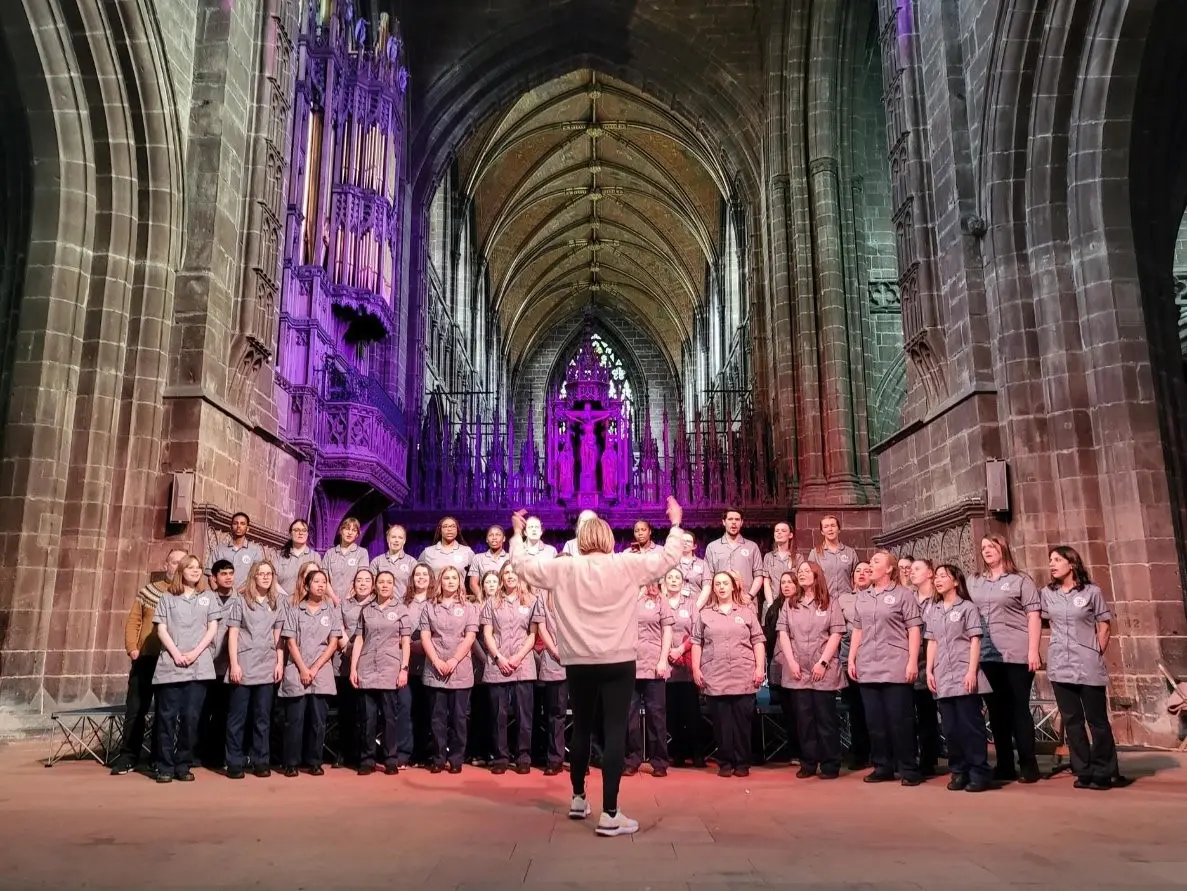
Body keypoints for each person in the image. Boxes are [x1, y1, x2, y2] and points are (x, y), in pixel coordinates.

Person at [509, 497, 683, 838]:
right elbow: (668, 558)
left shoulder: (564, 566)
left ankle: (577, 797)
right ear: (607, 539)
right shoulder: (626, 564)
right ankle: (610, 814)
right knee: (615, 729)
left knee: (584, 727)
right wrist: (675, 525)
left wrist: (517, 534)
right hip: (618, 660)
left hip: (578, 661)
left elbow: (521, 567)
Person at [1043, 546, 1123, 790]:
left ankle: (1104, 770)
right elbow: (1042, 621)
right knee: (1072, 720)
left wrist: (1094, 651)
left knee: (1096, 720)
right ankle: (1083, 769)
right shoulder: (1047, 593)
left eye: (1058, 559)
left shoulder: (1091, 592)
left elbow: (1104, 625)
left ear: (1072, 563)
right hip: (1060, 663)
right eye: (1050, 560)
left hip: (1087, 664)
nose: (1052, 564)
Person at [969, 534, 1042, 784]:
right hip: (988, 654)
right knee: (996, 713)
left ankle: (1029, 764)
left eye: (991, 546)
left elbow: (1033, 616)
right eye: (983, 547)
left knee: (1018, 709)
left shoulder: (1020, 580)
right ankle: (1004, 764)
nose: (987, 550)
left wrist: (1034, 650)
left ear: (1003, 549)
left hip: (1016, 652)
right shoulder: (975, 581)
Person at [847, 549, 923, 786]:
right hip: (868, 664)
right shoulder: (863, 597)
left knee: (900, 720)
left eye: (875, 562)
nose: (870, 565)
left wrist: (912, 660)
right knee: (875, 722)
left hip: (895, 664)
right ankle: (882, 766)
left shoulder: (903, 595)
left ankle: (908, 767)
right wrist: (852, 658)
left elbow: (913, 629)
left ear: (889, 569)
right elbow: (857, 630)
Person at [111, 547, 186, 776]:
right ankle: (128, 756)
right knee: (136, 708)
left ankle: (157, 757)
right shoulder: (150, 591)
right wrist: (132, 648)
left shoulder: (187, 595)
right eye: (174, 563)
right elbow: (134, 620)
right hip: (145, 658)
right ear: (166, 565)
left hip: (171, 661)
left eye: (182, 564)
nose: (177, 567)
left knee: (165, 712)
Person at [151, 554, 220, 783]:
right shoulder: (167, 597)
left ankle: (182, 764)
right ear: (181, 570)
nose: (195, 570)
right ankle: (164, 765)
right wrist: (177, 654)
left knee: (191, 718)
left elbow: (212, 629)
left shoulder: (208, 597)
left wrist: (194, 653)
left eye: (198, 567)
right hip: (171, 664)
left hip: (198, 665)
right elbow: (161, 629)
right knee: (167, 718)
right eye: (190, 567)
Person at [692, 570, 766, 779]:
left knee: (742, 723)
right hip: (715, 675)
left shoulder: (746, 612)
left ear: (733, 586)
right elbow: (697, 642)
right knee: (722, 723)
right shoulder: (705, 614)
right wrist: (696, 668)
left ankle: (742, 762)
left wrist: (759, 667)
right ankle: (725, 762)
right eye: (718, 584)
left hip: (743, 674)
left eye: (725, 583)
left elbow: (758, 641)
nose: (722, 587)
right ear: (713, 588)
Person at [924, 564, 991, 792]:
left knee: (970, 726)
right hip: (943, 674)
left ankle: (978, 772)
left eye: (944, 576)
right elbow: (932, 641)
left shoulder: (968, 608)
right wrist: (929, 670)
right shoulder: (934, 610)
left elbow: (975, 639)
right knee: (950, 728)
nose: (939, 580)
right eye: (937, 577)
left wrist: (972, 671)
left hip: (963, 673)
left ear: (955, 581)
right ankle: (959, 771)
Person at [777, 561, 845, 779]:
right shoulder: (790, 603)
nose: (802, 574)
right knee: (803, 719)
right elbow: (783, 633)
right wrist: (791, 661)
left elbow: (836, 633)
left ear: (816, 576)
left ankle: (830, 764)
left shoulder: (829, 602)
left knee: (825, 719)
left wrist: (823, 662)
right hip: (798, 668)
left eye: (806, 571)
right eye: (800, 572)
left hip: (822, 668)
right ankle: (808, 762)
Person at [223, 559, 285, 779]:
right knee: (237, 718)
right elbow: (233, 634)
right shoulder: (240, 602)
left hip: (267, 665)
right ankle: (235, 762)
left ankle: (261, 760)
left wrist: (279, 662)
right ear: (253, 577)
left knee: (262, 718)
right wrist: (234, 664)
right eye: (261, 573)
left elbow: (278, 638)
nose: (266, 577)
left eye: (269, 573)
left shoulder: (278, 603)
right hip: (244, 664)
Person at [279, 568, 342, 777]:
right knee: (294, 720)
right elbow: (290, 641)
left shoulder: (331, 612)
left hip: (321, 672)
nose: (321, 585)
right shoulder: (295, 610)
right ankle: (291, 762)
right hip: (297, 670)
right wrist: (303, 668)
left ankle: (314, 761)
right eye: (316, 581)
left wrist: (314, 668)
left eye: (324, 582)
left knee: (317, 721)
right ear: (306, 586)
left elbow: (333, 643)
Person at [351, 569, 412, 776]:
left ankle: (390, 758)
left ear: (394, 586)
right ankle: (367, 759)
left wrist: (404, 668)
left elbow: (405, 641)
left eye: (389, 582)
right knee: (368, 718)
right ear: (375, 586)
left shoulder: (401, 609)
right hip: (367, 668)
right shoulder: (366, 609)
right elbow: (359, 639)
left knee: (389, 717)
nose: (385, 585)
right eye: (381, 582)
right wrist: (354, 667)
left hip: (390, 669)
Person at [419, 565, 479, 774]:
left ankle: (456, 759)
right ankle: (438, 757)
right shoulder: (428, 606)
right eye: (447, 578)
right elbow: (425, 636)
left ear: (460, 582)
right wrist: (436, 660)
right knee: (437, 718)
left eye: (454, 578)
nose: (451, 581)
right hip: (435, 668)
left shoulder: (469, 608)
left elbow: (470, 637)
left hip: (460, 669)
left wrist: (454, 660)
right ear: (440, 582)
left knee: (458, 718)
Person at [481, 564, 541, 774]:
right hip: (498, 665)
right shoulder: (491, 602)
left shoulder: (532, 601)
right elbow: (487, 634)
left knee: (525, 715)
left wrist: (516, 657)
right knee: (499, 715)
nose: (510, 576)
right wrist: (498, 657)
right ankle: (501, 757)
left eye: (513, 572)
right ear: (501, 577)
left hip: (522, 665)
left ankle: (523, 756)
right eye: (506, 573)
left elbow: (533, 635)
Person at [625, 581, 674, 777]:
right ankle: (632, 759)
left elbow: (667, 631)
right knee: (629, 716)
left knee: (656, 716)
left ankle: (659, 761)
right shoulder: (626, 598)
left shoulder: (660, 599)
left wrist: (663, 659)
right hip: (629, 664)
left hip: (654, 665)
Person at [762, 568, 804, 765]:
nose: (786, 586)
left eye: (790, 582)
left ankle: (807, 751)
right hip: (778, 664)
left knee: (801, 710)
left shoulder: (803, 605)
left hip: (799, 664)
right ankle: (794, 751)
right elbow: (768, 638)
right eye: (783, 582)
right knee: (787, 710)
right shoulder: (774, 608)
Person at [662, 567, 704, 768]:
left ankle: (697, 754)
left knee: (691, 713)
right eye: (669, 577)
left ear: (682, 582)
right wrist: (667, 651)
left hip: (686, 666)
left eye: (676, 577)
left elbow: (697, 633)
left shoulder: (692, 604)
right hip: (666, 667)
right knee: (673, 713)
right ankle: (677, 754)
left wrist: (679, 649)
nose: (673, 580)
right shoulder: (659, 603)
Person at [198, 560, 237, 770]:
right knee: (202, 710)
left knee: (224, 712)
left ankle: (218, 755)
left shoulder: (239, 600)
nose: (228, 577)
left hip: (227, 666)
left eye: (231, 573)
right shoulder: (205, 599)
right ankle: (198, 753)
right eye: (223, 573)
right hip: (205, 664)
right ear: (214, 577)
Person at [336, 568, 375, 769]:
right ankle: (344, 752)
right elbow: (338, 626)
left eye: (367, 580)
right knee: (347, 710)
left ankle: (365, 753)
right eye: (359, 580)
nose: (363, 583)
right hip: (345, 660)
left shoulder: (377, 604)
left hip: (369, 663)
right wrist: (347, 647)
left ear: (373, 584)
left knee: (365, 712)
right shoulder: (345, 604)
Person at [908, 558, 942, 776]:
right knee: (920, 712)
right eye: (910, 570)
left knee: (936, 712)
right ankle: (923, 758)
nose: (912, 573)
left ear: (930, 573)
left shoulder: (939, 600)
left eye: (917, 569)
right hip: (915, 662)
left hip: (938, 660)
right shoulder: (909, 598)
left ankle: (935, 755)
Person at [839, 560, 872, 769]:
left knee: (874, 709)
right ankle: (859, 752)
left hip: (872, 660)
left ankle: (880, 752)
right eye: (858, 571)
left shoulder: (876, 598)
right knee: (856, 710)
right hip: (848, 661)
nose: (861, 574)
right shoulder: (843, 599)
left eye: (867, 571)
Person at [402, 562, 435, 766]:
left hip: (430, 665)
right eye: (417, 575)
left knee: (430, 711)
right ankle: (408, 752)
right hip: (408, 664)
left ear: (431, 578)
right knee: (408, 710)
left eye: (425, 575)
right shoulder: (404, 604)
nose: (421, 578)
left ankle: (429, 753)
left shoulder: (436, 603)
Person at [534, 582, 568, 777]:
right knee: (555, 712)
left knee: (583, 713)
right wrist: (555, 651)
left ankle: (582, 759)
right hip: (554, 659)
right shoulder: (543, 596)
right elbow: (541, 627)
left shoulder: (583, 590)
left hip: (580, 658)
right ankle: (555, 759)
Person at [702, 508, 764, 607]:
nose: (734, 523)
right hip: (720, 603)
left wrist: (750, 596)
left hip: (746, 603)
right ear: (724, 522)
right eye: (730, 519)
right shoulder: (712, 547)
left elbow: (758, 575)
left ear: (742, 522)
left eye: (737, 519)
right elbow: (709, 577)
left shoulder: (752, 546)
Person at [205, 512, 264, 591]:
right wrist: (218, 592)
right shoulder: (220, 549)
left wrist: (240, 592)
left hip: (244, 598)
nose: (238, 526)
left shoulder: (255, 551)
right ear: (231, 527)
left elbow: (257, 576)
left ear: (247, 528)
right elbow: (210, 573)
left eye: (242, 524)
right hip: (220, 596)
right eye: (235, 523)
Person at [806, 515, 859, 599]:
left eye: (833, 526)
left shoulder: (850, 552)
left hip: (847, 600)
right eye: (826, 527)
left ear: (838, 529)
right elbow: (810, 578)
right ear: (822, 532)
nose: (830, 529)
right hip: (825, 600)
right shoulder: (815, 553)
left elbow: (857, 577)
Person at [762, 522, 803, 618]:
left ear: (790, 535)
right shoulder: (769, 556)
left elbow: (799, 581)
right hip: (772, 601)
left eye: (783, 531)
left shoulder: (797, 557)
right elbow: (766, 582)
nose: (779, 533)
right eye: (777, 531)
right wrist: (771, 604)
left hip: (792, 602)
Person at [323, 517, 369, 603]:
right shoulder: (330, 553)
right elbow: (324, 579)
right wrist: (334, 598)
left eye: (354, 530)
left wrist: (349, 598)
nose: (350, 532)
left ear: (357, 534)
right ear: (341, 531)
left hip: (352, 601)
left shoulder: (362, 553)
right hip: (331, 602)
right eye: (347, 529)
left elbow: (362, 578)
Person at [274, 519, 321, 599]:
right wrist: (285, 597)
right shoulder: (279, 555)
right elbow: (272, 580)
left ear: (307, 534)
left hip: (305, 602)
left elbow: (317, 582)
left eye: (304, 530)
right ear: (290, 534)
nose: (300, 533)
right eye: (296, 530)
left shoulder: (315, 557)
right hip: (281, 601)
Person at [370, 524, 417, 599]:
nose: (396, 540)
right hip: (381, 607)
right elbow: (372, 587)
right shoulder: (377, 561)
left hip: (403, 606)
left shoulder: (412, 562)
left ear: (404, 541)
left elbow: (415, 588)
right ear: (388, 539)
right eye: (393, 537)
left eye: (400, 537)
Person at [469, 525, 510, 599]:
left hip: (506, 600)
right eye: (491, 535)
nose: (494, 537)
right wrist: (480, 597)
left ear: (504, 538)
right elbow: (473, 583)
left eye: (498, 535)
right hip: (484, 600)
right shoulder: (478, 558)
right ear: (487, 539)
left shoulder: (510, 557)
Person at [677, 532, 710, 604]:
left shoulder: (702, 564)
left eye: (688, 541)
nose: (685, 543)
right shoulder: (671, 564)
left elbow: (706, 588)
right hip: (675, 607)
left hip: (697, 604)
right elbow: (665, 587)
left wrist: (696, 608)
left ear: (694, 546)